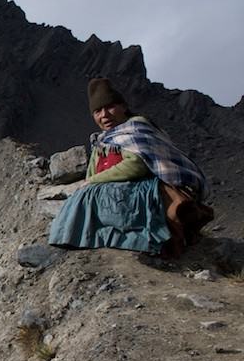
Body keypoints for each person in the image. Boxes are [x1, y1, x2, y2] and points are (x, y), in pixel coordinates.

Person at [48, 78, 213, 258]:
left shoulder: (137, 129)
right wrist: (90, 183)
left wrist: (92, 182)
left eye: (110, 107)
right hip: (120, 194)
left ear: (123, 107)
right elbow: (93, 175)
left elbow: (137, 165)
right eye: (97, 111)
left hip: (148, 191)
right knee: (84, 195)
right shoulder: (101, 141)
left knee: (87, 193)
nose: (104, 115)